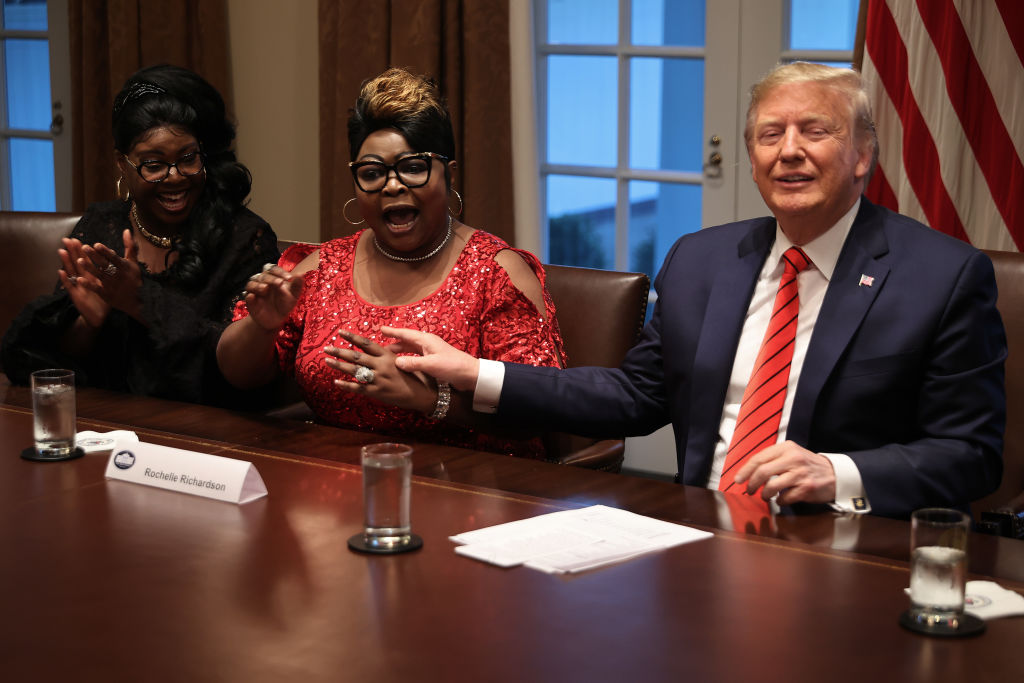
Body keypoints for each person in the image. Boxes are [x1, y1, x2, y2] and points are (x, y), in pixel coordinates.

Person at [380, 62, 1006, 520]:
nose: (789, 152)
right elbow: (635, 397)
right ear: (752, 157)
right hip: (699, 537)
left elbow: (970, 455)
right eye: (769, 135)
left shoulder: (942, 276)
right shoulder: (702, 258)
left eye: (815, 131)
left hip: (847, 549)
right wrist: (474, 372)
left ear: (863, 153)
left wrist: (837, 471)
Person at [216, 67, 564, 456]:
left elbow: (541, 409)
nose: (392, 185)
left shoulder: (496, 274)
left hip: (470, 486)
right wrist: (262, 327)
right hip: (332, 486)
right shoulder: (320, 268)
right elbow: (237, 375)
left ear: (448, 177)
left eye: (413, 167)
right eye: (372, 173)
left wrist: (429, 398)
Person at [1, 64, 279, 407]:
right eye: (154, 164)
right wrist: (89, 323)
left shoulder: (244, 237)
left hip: (209, 433)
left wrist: (140, 301)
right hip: (109, 428)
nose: (175, 177)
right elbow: (61, 365)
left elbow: (238, 369)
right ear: (123, 164)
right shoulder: (102, 227)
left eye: (188, 159)